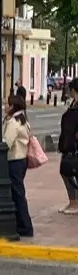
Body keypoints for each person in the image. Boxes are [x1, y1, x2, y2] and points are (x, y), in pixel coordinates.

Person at [3, 95, 34, 237]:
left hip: (14, 160)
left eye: (6, 104)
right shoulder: (23, 121)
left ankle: (25, 225)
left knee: (17, 193)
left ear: (12, 107)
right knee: (18, 192)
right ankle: (22, 224)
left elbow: (7, 143)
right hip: (22, 160)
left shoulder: (13, 123)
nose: (4, 106)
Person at [57, 78, 78, 215]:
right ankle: (72, 201)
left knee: (71, 172)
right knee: (65, 171)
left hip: (74, 146)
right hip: (67, 144)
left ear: (73, 90)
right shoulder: (73, 104)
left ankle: (75, 203)